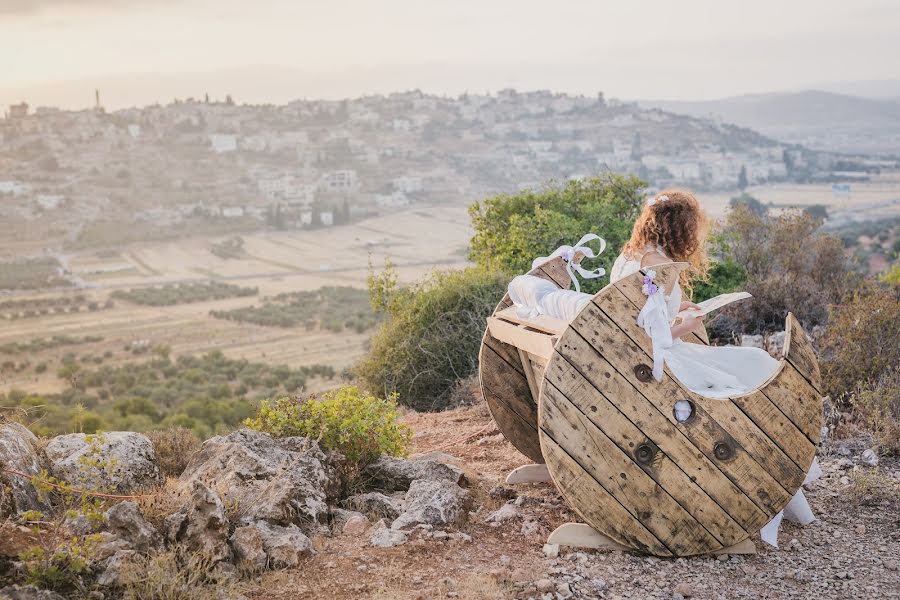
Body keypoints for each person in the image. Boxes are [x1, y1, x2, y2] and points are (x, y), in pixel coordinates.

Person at [610, 189, 778, 398]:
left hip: (631, 349)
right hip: (659, 360)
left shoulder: (629, 255)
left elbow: (637, 311)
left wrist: (677, 308)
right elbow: (651, 339)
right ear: (678, 229)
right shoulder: (662, 265)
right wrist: (687, 326)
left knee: (750, 361)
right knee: (757, 361)